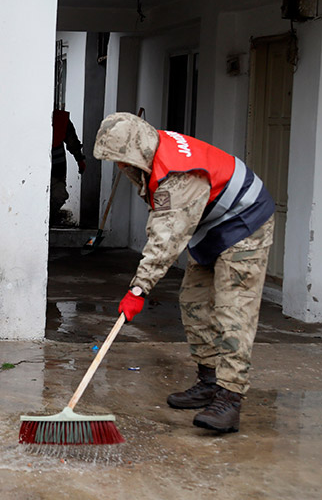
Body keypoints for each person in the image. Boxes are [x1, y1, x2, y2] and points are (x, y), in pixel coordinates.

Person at [92, 112, 275, 434]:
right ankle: (209, 381)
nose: (120, 167)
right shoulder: (152, 151)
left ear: (137, 149)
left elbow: (165, 240)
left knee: (234, 310)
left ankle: (230, 398)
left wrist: (138, 290)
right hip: (211, 224)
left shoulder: (179, 174)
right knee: (194, 301)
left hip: (245, 223)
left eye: (121, 160)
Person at [49, 109, 86, 226]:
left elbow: (72, 142)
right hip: (34, 170)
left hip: (57, 169)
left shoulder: (61, 120)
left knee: (59, 195)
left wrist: (80, 160)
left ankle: (50, 219)